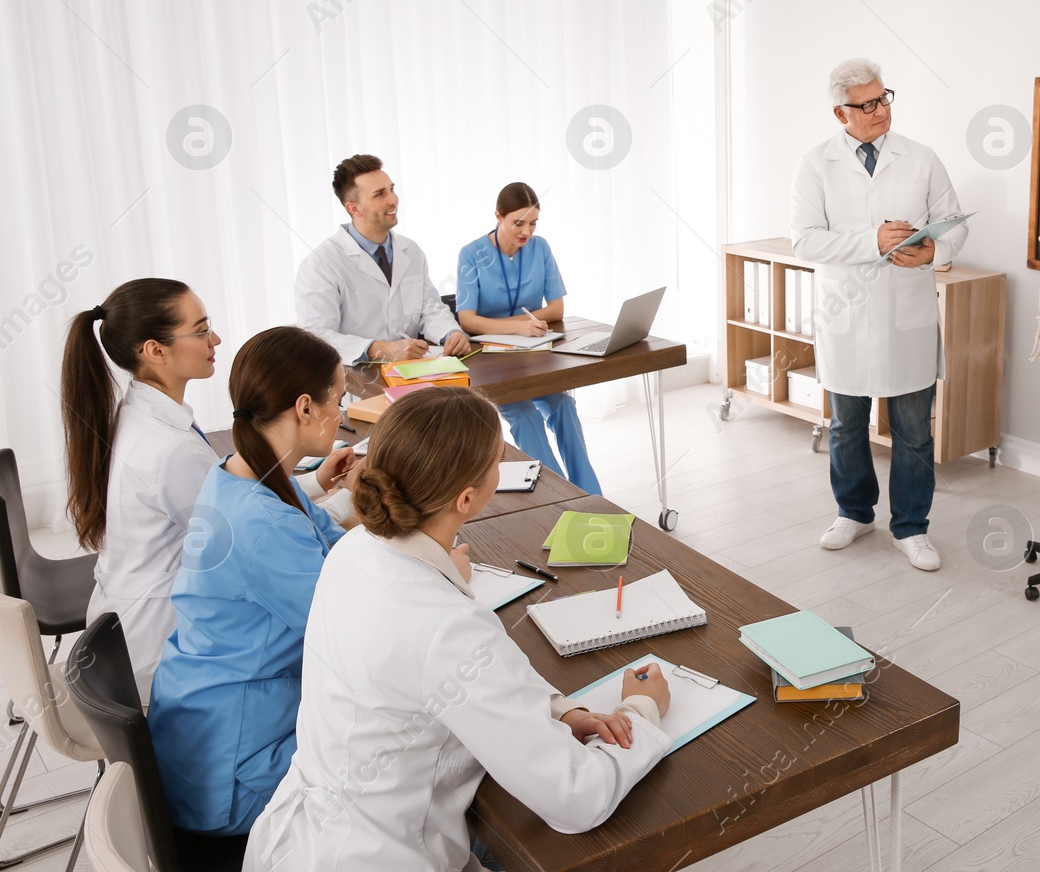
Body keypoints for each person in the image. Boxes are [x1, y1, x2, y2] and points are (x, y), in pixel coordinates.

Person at [245, 386, 670, 871]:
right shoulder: (447, 626)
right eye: (497, 460)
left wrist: (561, 710)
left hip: (299, 841)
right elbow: (576, 798)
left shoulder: (352, 549)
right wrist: (641, 710)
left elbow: (468, 680)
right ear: (468, 498)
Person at [61, 281, 355, 701]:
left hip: (134, 624)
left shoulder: (148, 417)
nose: (215, 339)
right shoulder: (170, 451)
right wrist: (349, 500)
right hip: (154, 648)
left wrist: (318, 482)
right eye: (201, 331)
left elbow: (248, 492)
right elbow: (252, 514)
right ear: (155, 350)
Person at [147, 326, 350, 836]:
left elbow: (333, 543)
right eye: (340, 400)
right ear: (305, 407)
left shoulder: (241, 474)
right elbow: (353, 633)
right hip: (233, 775)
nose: (343, 415)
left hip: (210, 720)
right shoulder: (262, 521)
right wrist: (437, 571)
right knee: (421, 751)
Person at [790, 58, 967, 572]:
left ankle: (911, 526)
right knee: (847, 423)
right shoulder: (815, 162)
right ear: (839, 113)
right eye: (866, 104)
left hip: (907, 309)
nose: (879, 110)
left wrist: (933, 252)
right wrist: (872, 241)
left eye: (884, 98)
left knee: (914, 428)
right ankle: (854, 512)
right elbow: (804, 239)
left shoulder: (923, 158)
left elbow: (953, 224)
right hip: (845, 312)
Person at [454, 181, 602, 493]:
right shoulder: (471, 254)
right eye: (518, 223)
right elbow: (467, 319)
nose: (526, 232)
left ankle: (590, 493)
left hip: (535, 353)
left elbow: (557, 308)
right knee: (524, 414)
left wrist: (518, 324)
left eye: (533, 223)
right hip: (491, 360)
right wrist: (518, 326)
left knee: (564, 405)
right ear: (498, 216)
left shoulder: (541, 248)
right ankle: (559, 494)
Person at [295, 153, 470, 365]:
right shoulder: (321, 264)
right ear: (353, 208)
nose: (393, 200)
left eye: (392, 189)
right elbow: (316, 335)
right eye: (379, 194)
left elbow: (429, 307)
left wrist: (450, 333)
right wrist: (378, 348)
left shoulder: (410, 250)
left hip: (414, 370)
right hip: (358, 379)